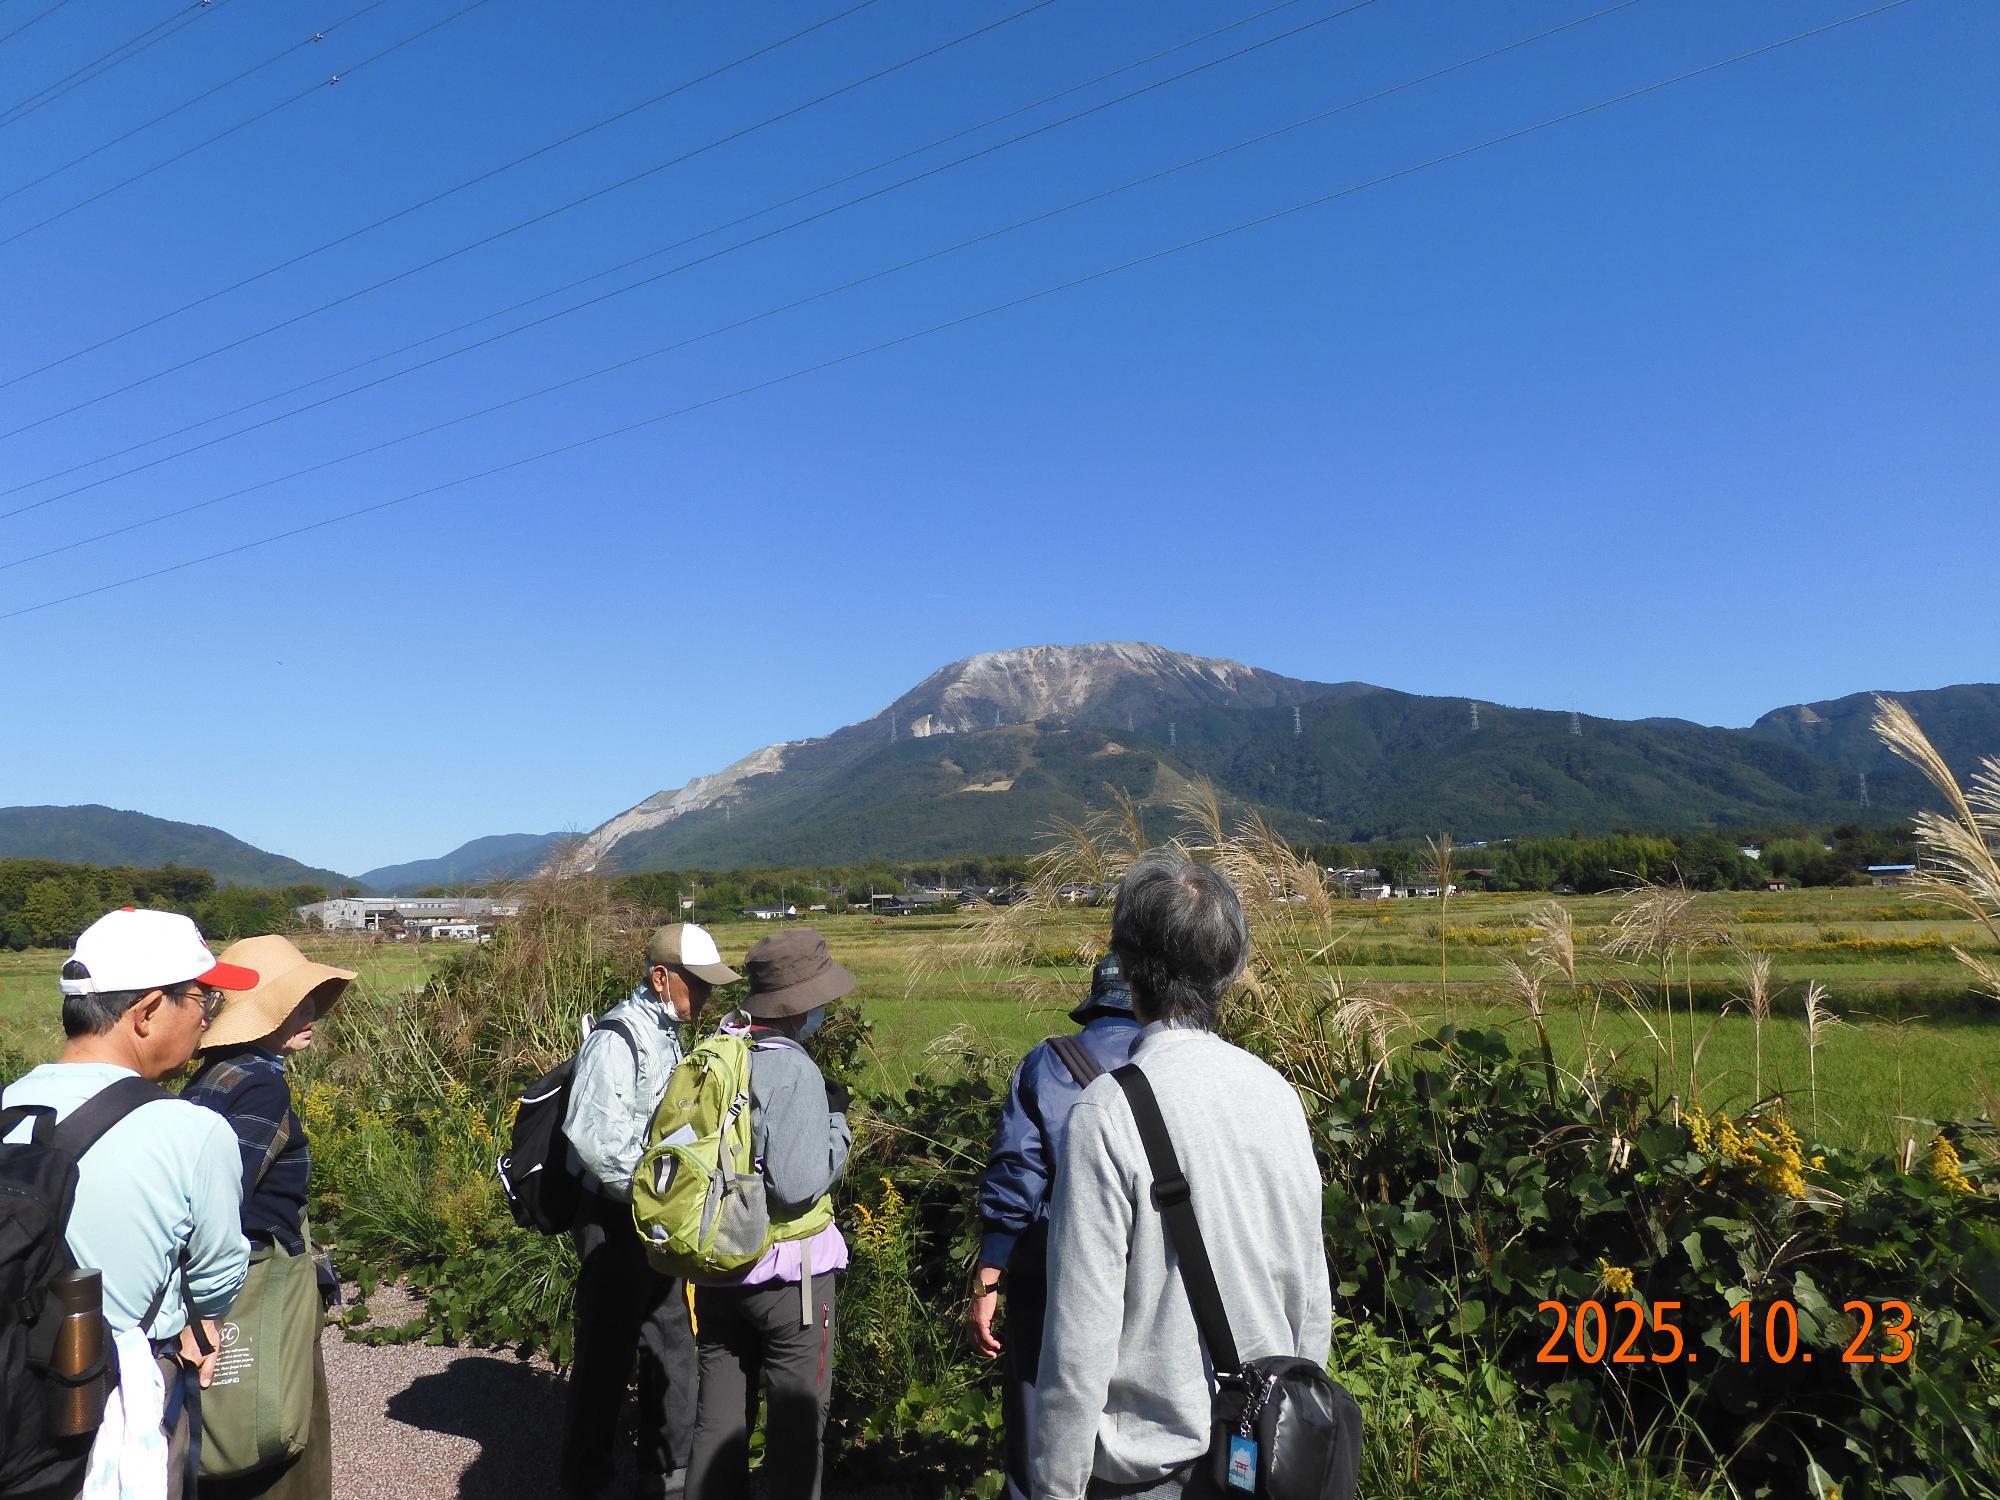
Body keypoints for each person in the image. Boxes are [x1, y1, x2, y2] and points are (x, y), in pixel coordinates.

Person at [1032, 850, 1332, 1500]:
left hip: (1148, 1470)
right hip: (1266, 1456)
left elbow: (1079, 1338)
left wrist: (1055, 1485)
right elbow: (1310, 1293)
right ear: (1230, 969)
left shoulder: (1108, 1112)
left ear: (1128, 969)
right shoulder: (1277, 1093)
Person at [0, 908, 257, 1499]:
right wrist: (202, 1325)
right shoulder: (191, 1129)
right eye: (201, 1000)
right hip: (115, 1400)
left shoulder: (8, 1103)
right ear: (146, 1012)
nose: (206, 1021)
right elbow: (218, 1271)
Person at [561, 923, 740, 1500]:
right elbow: (593, 1139)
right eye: (698, 984)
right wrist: (652, 1202)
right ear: (661, 978)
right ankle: (586, 1482)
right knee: (606, 1355)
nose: (707, 997)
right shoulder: (618, 1037)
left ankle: (665, 1474)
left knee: (671, 1346)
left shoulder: (666, 1032)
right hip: (615, 1221)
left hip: (653, 1218)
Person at [181, 934, 356, 1500]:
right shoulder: (260, 1089)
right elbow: (222, 1201)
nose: (309, 1013)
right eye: (293, 1002)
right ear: (258, 1015)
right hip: (260, 1284)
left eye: (309, 999)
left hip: (232, 1280)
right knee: (278, 1430)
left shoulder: (214, 1076)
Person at [685, 928, 854, 1500]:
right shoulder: (794, 1068)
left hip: (716, 1262)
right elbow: (798, 1185)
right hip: (789, 1276)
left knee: (719, 1418)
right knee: (796, 1426)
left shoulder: (719, 1051)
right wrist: (838, 1126)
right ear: (803, 1004)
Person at [971, 956, 1143, 1500]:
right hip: (1149, 1269)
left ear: (1095, 997)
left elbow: (1017, 1174)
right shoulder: (1172, 1064)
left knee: (1038, 1422)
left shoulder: (1046, 1064)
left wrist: (990, 1274)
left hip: (1051, 1269)